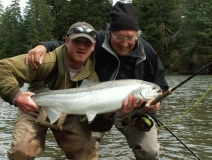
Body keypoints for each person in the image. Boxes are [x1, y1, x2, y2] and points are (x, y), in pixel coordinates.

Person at [26, 2, 169, 160]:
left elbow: (160, 86)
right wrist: (42, 47)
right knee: (84, 150)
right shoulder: (95, 41)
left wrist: (156, 103)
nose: (124, 43)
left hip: (135, 110)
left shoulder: (147, 51)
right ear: (110, 32)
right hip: (94, 104)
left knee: (150, 153)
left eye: (130, 37)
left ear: (137, 34)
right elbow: (64, 45)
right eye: (119, 37)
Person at [0, 21, 140, 160]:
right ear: (67, 41)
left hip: (71, 113)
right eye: (77, 41)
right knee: (21, 151)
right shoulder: (45, 60)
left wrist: (109, 112)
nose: (82, 47)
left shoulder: (92, 78)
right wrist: (17, 96)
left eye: (87, 43)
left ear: (93, 46)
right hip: (36, 106)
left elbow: (95, 125)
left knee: (87, 153)